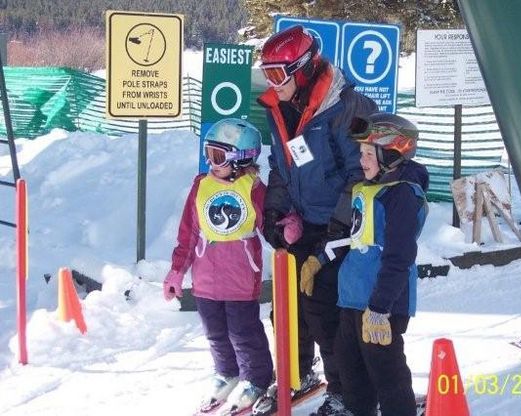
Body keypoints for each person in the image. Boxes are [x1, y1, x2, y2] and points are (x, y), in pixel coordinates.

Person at [254, 25, 377, 416]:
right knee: (287, 306)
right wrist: (274, 211)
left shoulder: (348, 108)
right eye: (266, 74)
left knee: (326, 310)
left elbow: (363, 171)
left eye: (277, 74)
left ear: (303, 69)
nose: (272, 83)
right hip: (303, 221)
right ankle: (297, 373)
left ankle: (346, 391)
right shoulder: (281, 108)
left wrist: (339, 227)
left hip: (340, 228)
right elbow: (281, 165)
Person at [163, 118, 273, 415]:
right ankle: (227, 371)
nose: (211, 163)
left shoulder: (254, 188)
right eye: (208, 154)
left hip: (240, 275)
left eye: (218, 156)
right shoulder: (202, 185)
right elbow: (188, 232)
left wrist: (287, 232)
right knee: (214, 331)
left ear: (241, 160)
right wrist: (177, 271)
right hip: (205, 277)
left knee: (243, 331)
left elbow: (270, 225)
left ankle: (257, 377)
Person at [334, 113, 429, 416]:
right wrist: (321, 258)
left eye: (367, 153)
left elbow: (399, 256)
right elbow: (357, 240)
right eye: (360, 152)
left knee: (386, 372)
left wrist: (379, 308)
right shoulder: (368, 188)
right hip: (353, 299)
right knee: (351, 370)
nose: (361, 160)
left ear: (390, 152)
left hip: (380, 304)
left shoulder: (402, 194)